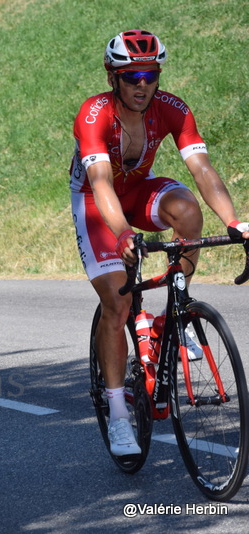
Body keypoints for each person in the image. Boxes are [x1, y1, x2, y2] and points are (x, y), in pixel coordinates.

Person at [69, 30, 249, 457]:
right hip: (97, 201)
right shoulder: (94, 115)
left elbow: (202, 169)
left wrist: (236, 222)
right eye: (132, 76)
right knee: (118, 301)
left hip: (138, 189)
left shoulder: (172, 108)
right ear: (113, 76)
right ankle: (117, 416)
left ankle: (172, 316)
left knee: (187, 210)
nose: (142, 85)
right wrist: (124, 233)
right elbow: (100, 182)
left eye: (150, 74)